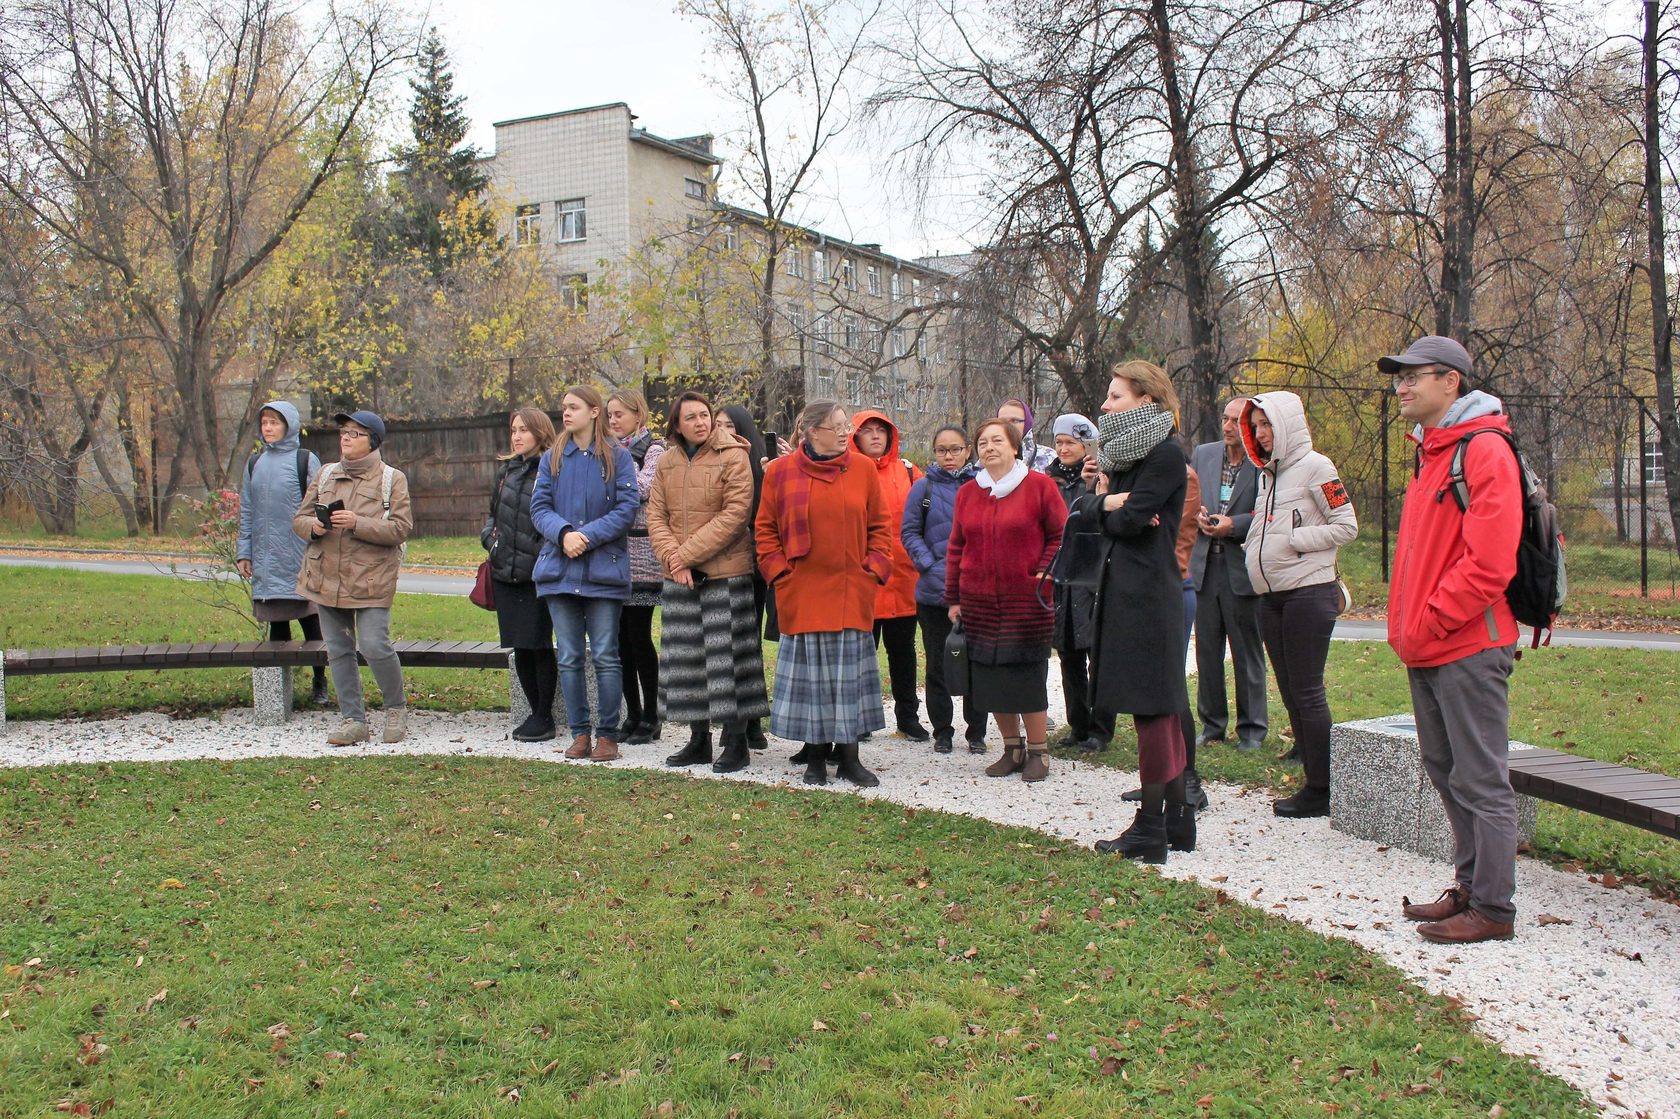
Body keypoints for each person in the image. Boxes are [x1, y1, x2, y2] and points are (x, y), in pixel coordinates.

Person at [1382, 336, 1523, 945]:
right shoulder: (1432, 451)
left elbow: (1489, 564)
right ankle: (1468, 886)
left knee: (1482, 778)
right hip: (1429, 645)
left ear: (1452, 381)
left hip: (1467, 645)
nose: (1403, 387)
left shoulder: (1484, 449)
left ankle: (1493, 908)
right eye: (1399, 377)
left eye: (1416, 376)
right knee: (1446, 769)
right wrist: (1414, 629)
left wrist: (1433, 619)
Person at [1076, 363, 1192, 862]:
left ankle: (1151, 828)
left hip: (1148, 598)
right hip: (1124, 592)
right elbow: (1088, 512)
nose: (1105, 406)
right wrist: (1104, 504)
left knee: (1154, 711)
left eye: (1115, 396)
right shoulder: (1123, 455)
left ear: (1146, 399)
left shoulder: (1164, 452)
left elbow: (1129, 521)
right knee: (1158, 711)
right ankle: (1178, 820)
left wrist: (1106, 506)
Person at [756, 399, 891, 787]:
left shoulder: (863, 469)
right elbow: (765, 531)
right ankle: (815, 758)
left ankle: (850, 759)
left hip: (851, 590)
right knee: (813, 681)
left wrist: (872, 570)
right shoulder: (780, 472)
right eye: (839, 426)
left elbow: (881, 528)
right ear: (813, 432)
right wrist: (781, 575)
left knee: (848, 681)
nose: (847, 433)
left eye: (847, 425)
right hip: (803, 592)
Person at [1241, 390, 1358, 819]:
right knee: (1291, 691)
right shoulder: (1267, 476)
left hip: (1309, 591)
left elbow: (1347, 526)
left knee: (1307, 692)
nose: (1261, 434)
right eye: (1255, 426)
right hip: (1272, 596)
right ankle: (1313, 779)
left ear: (1286, 424)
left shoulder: (1318, 467)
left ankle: (1322, 789)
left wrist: (1295, 541)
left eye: (1267, 425)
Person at [648, 391, 771, 773]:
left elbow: (735, 515)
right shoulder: (667, 461)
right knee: (688, 663)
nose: (701, 422)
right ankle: (698, 739)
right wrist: (674, 559)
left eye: (705, 415)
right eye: (691, 417)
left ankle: (736, 742)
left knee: (728, 662)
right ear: (677, 424)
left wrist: (685, 555)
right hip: (680, 578)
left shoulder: (733, 455)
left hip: (725, 574)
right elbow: (656, 516)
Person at [945, 417, 1065, 783]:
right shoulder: (969, 493)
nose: (989, 447)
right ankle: (1012, 749)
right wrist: (953, 597)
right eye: (982, 442)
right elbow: (956, 547)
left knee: (1027, 679)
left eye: (997, 440)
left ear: (1014, 447)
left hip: (1026, 603)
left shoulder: (1039, 486)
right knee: (991, 681)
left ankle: (1039, 752)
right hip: (979, 604)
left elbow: (1061, 535)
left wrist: (1043, 573)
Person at [531, 385, 640, 762]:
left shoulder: (618, 457)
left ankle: (607, 736)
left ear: (594, 411)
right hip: (560, 571)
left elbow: (626, 509)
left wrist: (587, 536)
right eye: (563, 407)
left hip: (603, 572)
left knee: (607, 655)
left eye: (574, 407)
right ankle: (580, 734)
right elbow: (539, 507)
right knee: (569, 656)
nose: (566, 413)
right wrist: (563, 534)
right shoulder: (552, 458)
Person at [292, 410, 412, 746]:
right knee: (338, 649)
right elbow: (299, 519)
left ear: (372, 441)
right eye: (344, 432)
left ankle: (395, 708)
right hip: (326, 577)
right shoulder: (326, 474)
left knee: (374, 644)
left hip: (372, 578)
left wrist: (357, 523)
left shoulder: (392, 478)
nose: (345, 437)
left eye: (355, 433)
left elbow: (401, 528)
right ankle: (353, 720)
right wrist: (314, 527)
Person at [901, 425, 985, 755]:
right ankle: (943, 731)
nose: (948, 456)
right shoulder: (923, 487)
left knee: (977, 662)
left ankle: (976, 732)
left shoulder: (983, 485)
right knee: (937, 664)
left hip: (976, 590)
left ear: (967, 450)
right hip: (934, 592)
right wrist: (930, 565)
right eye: (941, 450)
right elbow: (910, 532)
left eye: (955, 449)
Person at [1190, 399, 1267, 753]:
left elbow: (1268, 513)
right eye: (1225, 418)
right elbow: (1189, 498)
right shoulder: (1204, 454)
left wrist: (1233, 524)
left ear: (1249, 426)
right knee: (1207, 652)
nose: (1227, 426)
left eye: (1236, 420)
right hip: (1205, 566)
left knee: (1246, 653)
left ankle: (1252, 730)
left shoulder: (1263, 461)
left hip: (1242, 568)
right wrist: (1198, 514)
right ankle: (1212, 726)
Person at [238, 400, 327, 707]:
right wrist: (244, 553)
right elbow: (246, 511)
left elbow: (320, 504)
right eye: (264, 423)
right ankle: (277, 692)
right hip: (267, 560)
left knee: (312, 622)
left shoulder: (305, 460)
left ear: (288, 426)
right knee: (277, 625)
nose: (268, 428)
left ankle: (320, 681)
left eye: (274, 422)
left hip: (301, 556)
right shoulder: (254, 463)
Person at [482, 407, 559, 742]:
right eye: (514, 430)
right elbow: (492, 516)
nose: (517, 436)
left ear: (540, 432)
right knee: (520, 646)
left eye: (524, 430)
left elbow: (555, 516)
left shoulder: (553, 469)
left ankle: (544, 716)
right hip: (504, 572)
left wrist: (540, 554)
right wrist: (491, 542)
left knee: (538, 644)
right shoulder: (506, 471)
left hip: (536, 575)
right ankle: (533, 712)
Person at [851, 409, 929, 741]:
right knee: (861, 654)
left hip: (903, 579)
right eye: (867, 430)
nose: (875, 435)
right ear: (855, 436)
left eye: (880, 430)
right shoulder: (846, 471)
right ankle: (860, 718)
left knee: (903, 652)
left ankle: (908, 717)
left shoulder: (909, 472)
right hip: (863, 580)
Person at [1044, 413, 1113, 754]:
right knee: (1068, 654)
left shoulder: (1103, 478)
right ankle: (1078, 725)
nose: (1063, 448)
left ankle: (1100, 729)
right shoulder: (1049, 480)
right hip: (1062, 577)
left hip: (1093, 577)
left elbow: (1098, 520)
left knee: (1098, 655)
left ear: (1087, 445)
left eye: (1070, 442)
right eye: (1059, 442)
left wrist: (1091, 488)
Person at [607, 388, 667, 744]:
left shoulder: (654, 450)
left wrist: (619, 462)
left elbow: (642, 488)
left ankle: (652, 715)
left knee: (639, 637)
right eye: (610, 415)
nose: (613, 421)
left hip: (643, 558)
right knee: (618, 642)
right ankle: (631, 712)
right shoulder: (607, 451)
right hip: (612, 557)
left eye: (620, 414)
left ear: (637, 415)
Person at [715, 404, 772, 751]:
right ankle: (735, 721)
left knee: (748, 644)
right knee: (727, 645)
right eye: (717, 424)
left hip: (752, 565)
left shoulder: (758, 466)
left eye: (729, 425)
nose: (722, 430)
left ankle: (751, 721)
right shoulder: (711, 462)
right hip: (719, 562)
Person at [997, 398, 1055, 472]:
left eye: (1014, 421)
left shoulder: (1050, 458)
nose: (1007, 426)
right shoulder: (989, 458)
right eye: (1002, 421)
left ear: (1027, 423)